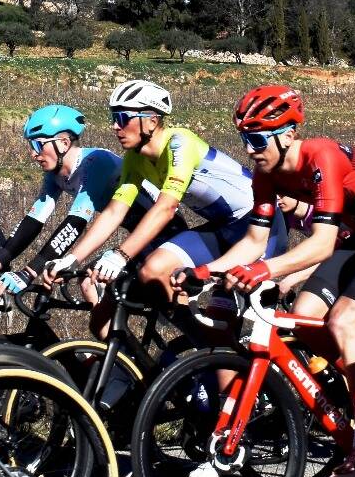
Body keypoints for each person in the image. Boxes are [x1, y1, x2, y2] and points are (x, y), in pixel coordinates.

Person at [202, 85, 355, 477]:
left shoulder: (320, 153)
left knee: (344, 322)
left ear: (288, 134)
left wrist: (264, 270)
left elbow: (322, 242)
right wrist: (207, 272)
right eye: (244, 139)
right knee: (303, 316)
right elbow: (254, 240)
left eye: (257, 139)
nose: (250, 149)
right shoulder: (265, 174)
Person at [46, 79, 270, 313]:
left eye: (122, 118)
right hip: (221, 227)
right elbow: (115, 210)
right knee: (152, 271)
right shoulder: (135, 157)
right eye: (113, 118)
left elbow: (166, 207)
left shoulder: (179, 143)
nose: (114, 126)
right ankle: (194, 348)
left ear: (152, 120)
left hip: (260, 225)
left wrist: (121, 255)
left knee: (226, 314)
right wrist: (72, 259)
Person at [0, 105, 132, 297]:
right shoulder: (55, 174)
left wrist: (28, 273)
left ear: (63, 143)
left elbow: (74, 223)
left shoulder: (96, 161)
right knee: (89, 284)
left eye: (38, 145)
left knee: (93, 282)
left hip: (160, 231)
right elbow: (33, 220)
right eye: (31, 146)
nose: (33, 153)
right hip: (137, 235)